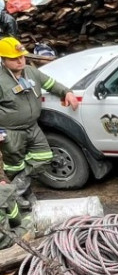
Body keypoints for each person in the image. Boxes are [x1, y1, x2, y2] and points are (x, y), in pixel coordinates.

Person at [0, 37, 79, 210]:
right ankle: (23, 196)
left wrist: (67, 92)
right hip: (10, 131)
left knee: (44, 158)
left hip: (32, 127)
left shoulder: (31, 71)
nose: (20, 60)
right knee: (14, 166)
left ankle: (11, 193)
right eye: (14, 58)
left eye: (22, 56)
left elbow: (51, 84)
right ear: (3, 60)